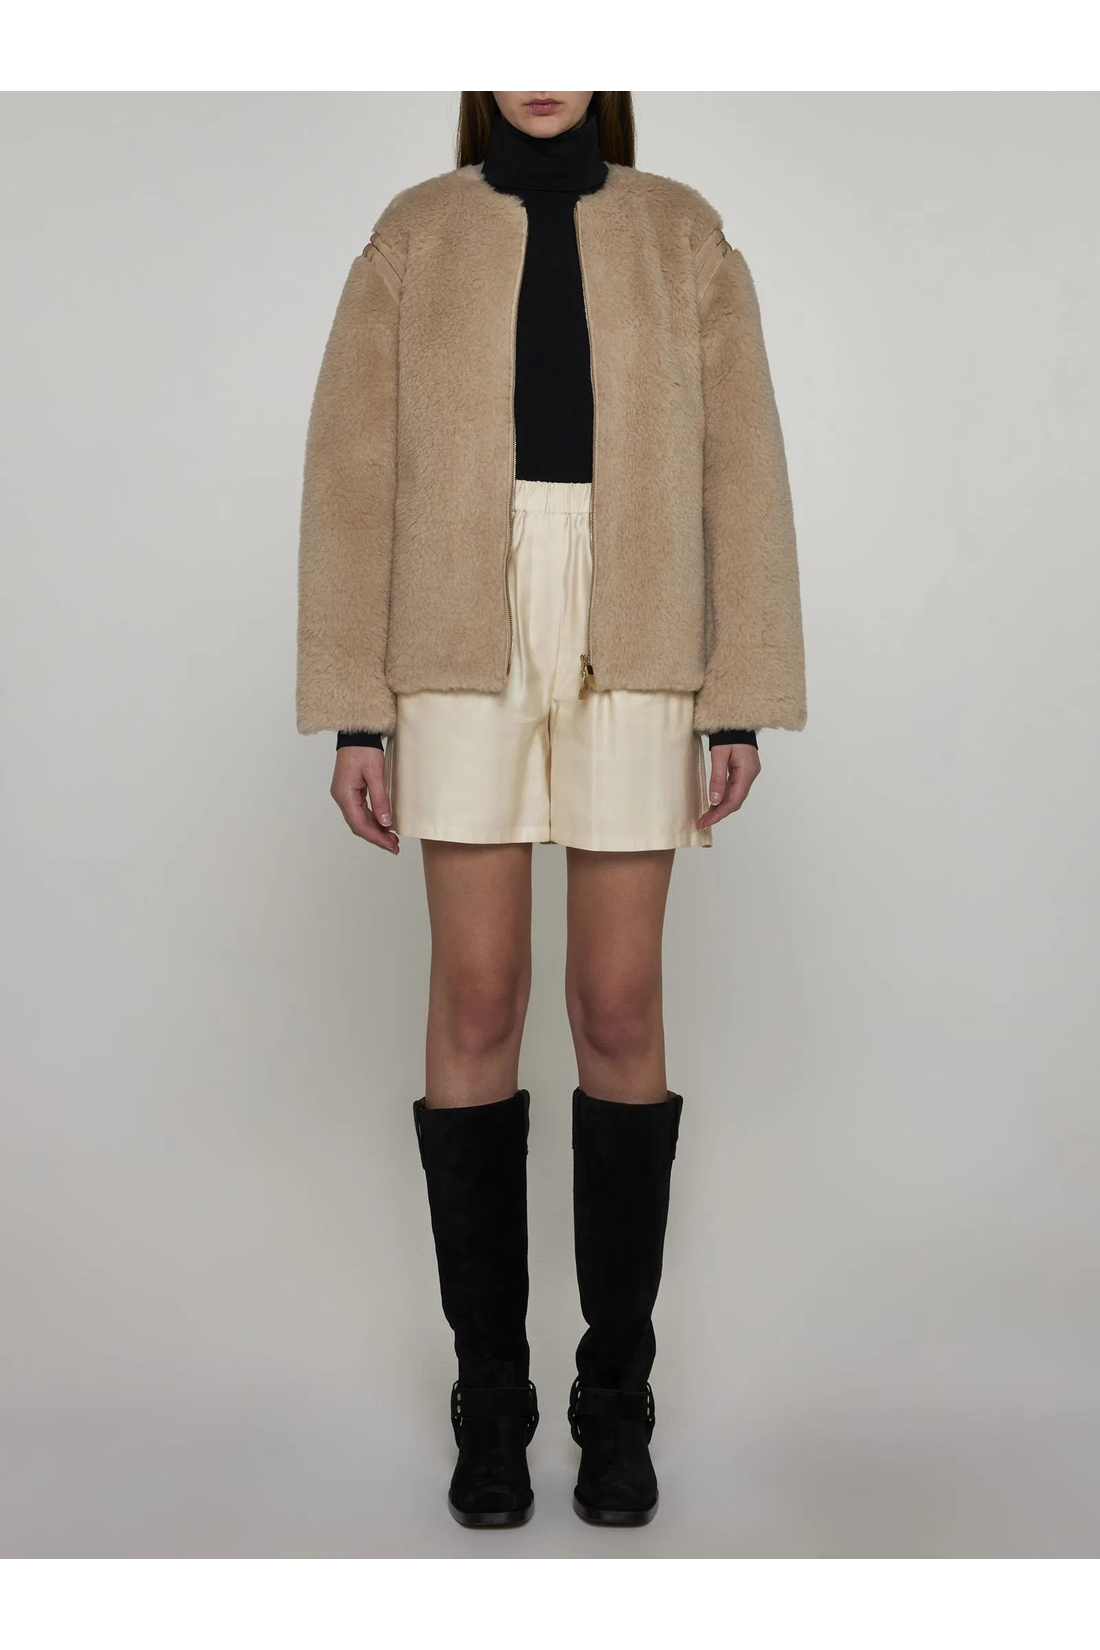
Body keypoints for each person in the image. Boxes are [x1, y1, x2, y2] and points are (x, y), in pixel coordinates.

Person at [296, 91, 806, 1529]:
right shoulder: (412, 236)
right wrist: (354, 706)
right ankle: (493, 1396)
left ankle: (615, 1397)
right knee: (477, 995)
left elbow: (741, 463)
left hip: (639, 613)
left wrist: (739, 692)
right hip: (452, 618)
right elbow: (351, 471)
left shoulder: (684, 235)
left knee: (619, 1002)